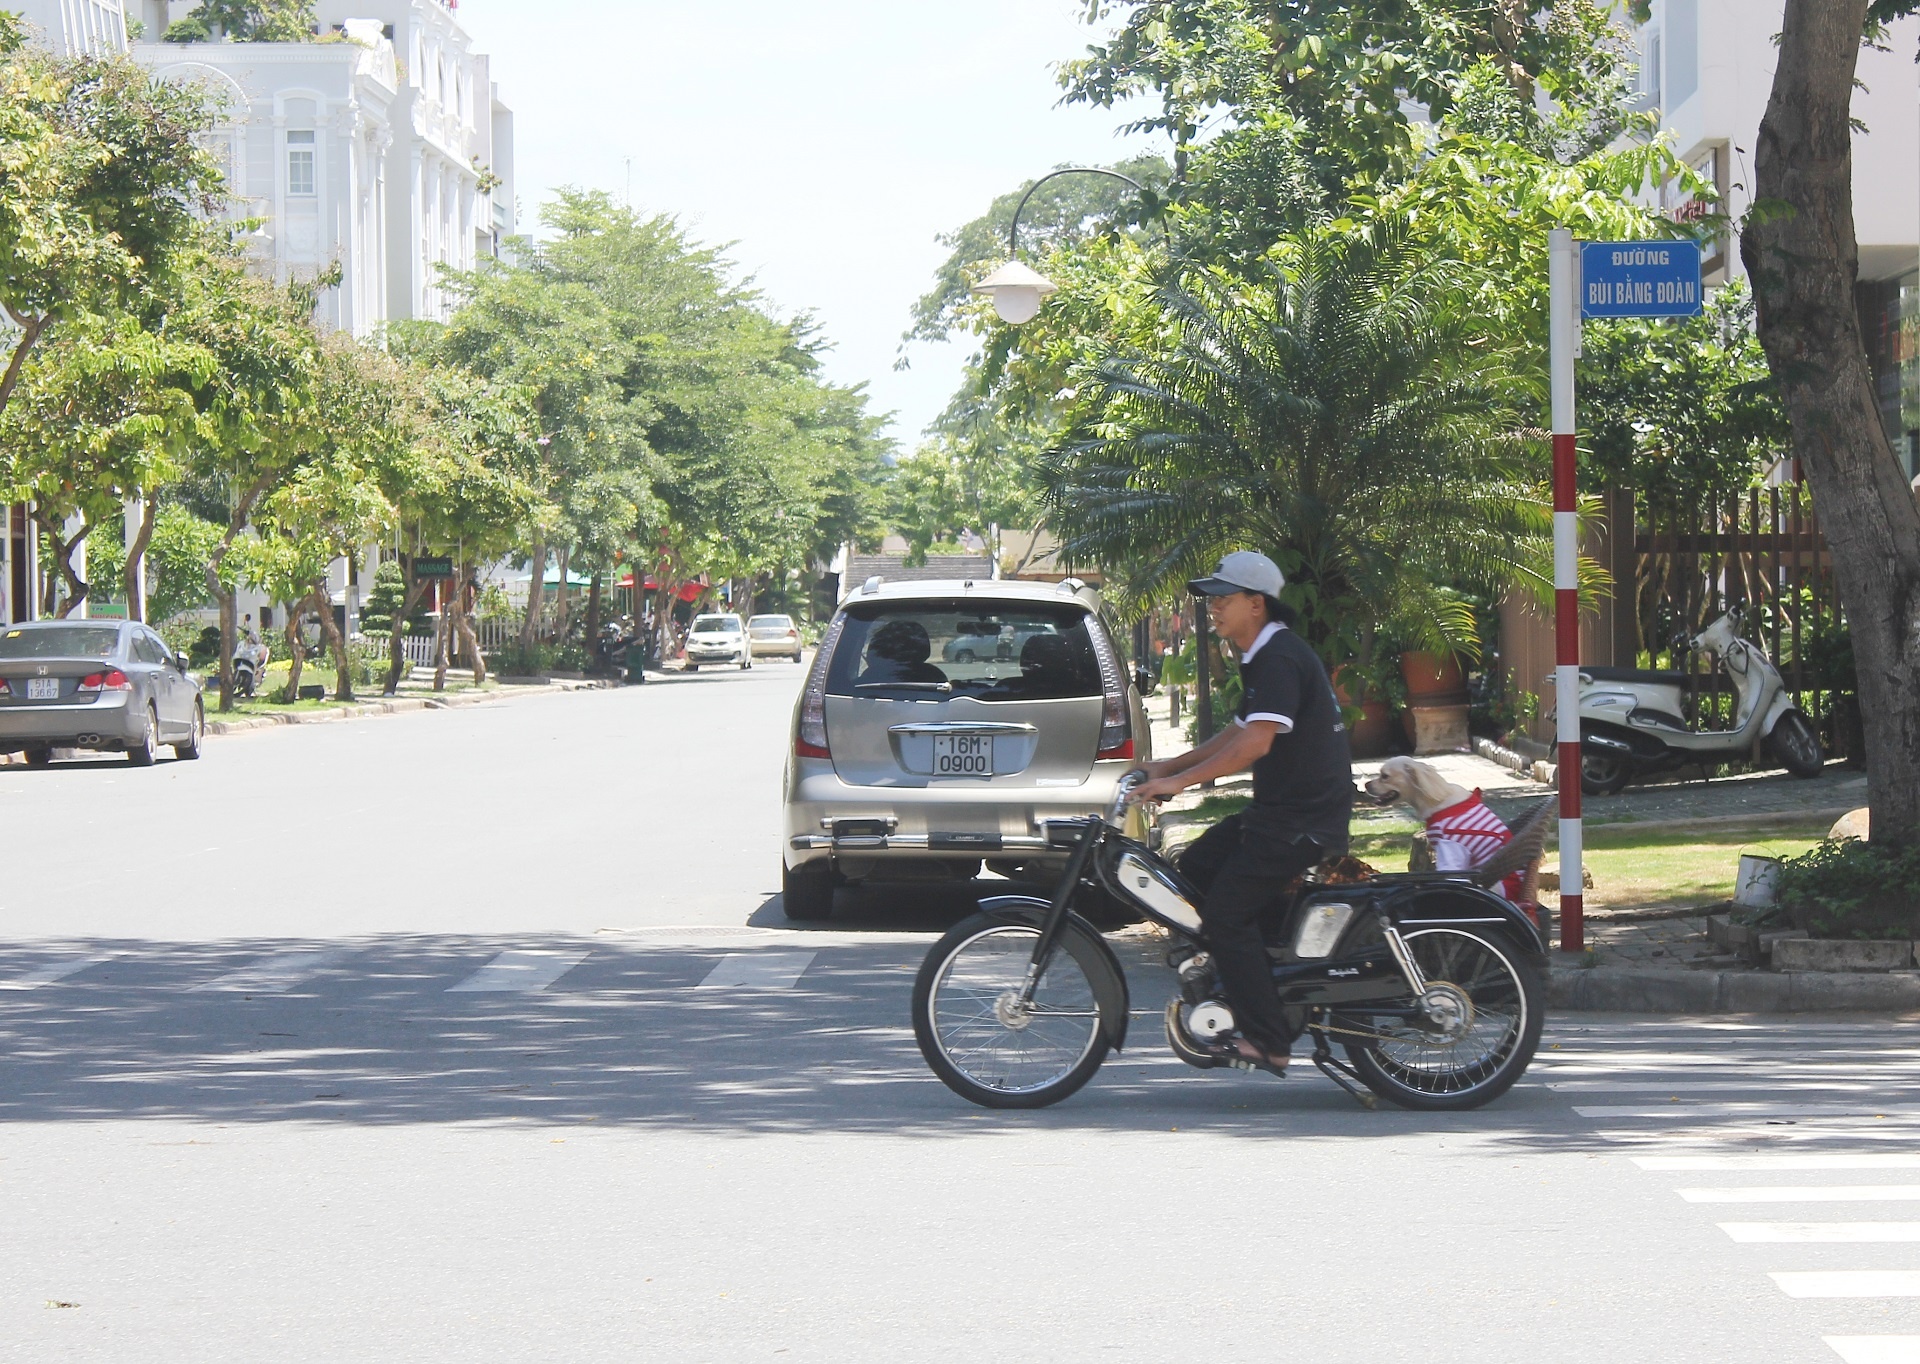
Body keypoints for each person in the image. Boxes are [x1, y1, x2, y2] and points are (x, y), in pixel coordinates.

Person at [1128, 551, 1354, 1076]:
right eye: (1212, 600)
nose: (1214, 609)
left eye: (1223, 600)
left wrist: (1178, 784)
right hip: (1279, 815)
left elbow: (1254, 743)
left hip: (1299, 821)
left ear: (1257, 604)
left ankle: (1270, 1039)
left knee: (1227, 916)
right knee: (1196, 869)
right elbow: (1235, 731)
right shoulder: (1263, 654)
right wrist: (1168, 764)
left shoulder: (1278, 657)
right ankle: (1264, 973)